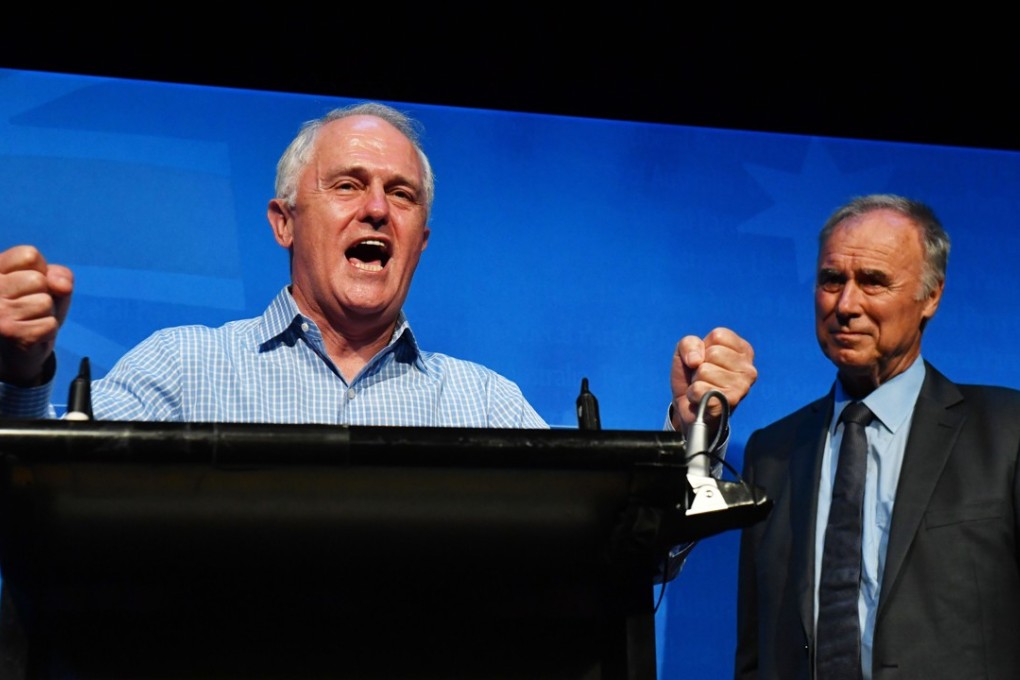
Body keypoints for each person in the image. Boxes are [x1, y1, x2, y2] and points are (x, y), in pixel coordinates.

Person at [0, 102, 756, 440]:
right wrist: (22, 373)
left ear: (421, 240)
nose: (376, 210)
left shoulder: (485, 406)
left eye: (401, 196)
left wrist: (689, 435)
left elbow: (619, 561)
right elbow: (38, 508)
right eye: (347, 185)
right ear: (283, 221)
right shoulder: (180, 369)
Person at [734, 194, 1020, 679]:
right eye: (831, 280)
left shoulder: (1007, 432)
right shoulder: (773, 453)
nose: (846, 305)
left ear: (931, 296)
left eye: (873, 281)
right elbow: (756, 651)